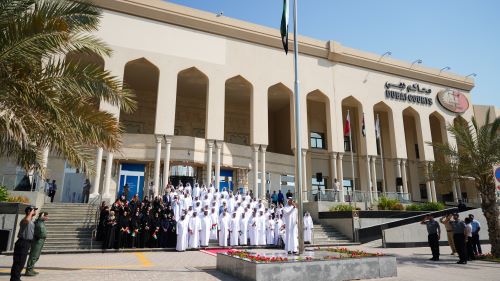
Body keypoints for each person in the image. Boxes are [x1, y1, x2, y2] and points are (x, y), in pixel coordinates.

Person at [10, 206, 37, 281]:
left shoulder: (31, 220)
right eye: (33, 210)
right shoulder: (24, 220)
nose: (35, 211)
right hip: (22, 242)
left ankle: (16, 278)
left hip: (27, 243)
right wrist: (30, 213)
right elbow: (26, 220)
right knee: (18, 262)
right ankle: (14, 279)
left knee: (21, 263)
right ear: (29, 211)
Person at [25, 211, 48, 276]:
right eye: (45, 216)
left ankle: (31, 269)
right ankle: (28, 271)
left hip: (41, 241)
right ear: (42, 216)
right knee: (33, 255)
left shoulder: (42, 222)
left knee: (36, 256)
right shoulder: (38, 222)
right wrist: (40, 217)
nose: (47, 217)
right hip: (37, 241)